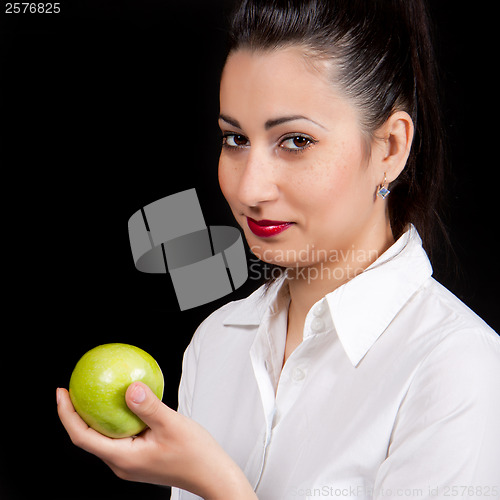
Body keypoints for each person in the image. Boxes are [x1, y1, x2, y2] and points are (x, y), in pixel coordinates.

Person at [57, 0, 500, 498]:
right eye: (235, 139)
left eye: (294, 141)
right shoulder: (216, 342)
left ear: (390, 149)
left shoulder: (457, 365)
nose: (250, 190)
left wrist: (217, 483)